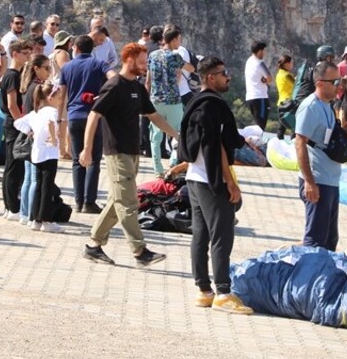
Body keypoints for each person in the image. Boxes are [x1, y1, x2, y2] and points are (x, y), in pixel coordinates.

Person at [80, 43, 180, 268]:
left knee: (118, 202)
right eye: (142, 62)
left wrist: (176, 134)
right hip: (116, 152)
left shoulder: (137, 88)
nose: (146, 66)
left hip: (132, 152)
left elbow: (153, 115)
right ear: (129, 60)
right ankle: (140, 251)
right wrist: (86, 149)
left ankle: (94, 246)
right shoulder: (114, 86)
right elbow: (94, 116)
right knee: (128, 203)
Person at [181, 57, 252, 314]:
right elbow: (216, 146)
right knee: (222, 235)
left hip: (194, 177)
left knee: (200, 234)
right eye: (223, 74)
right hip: (212, 180)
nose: (228, 77)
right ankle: (223, 292)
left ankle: (203, 290)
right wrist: (230, 182)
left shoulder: (194, 102)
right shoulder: (213, 105)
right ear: (210, 78)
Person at [294, 61, 343, 251]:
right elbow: (300, 144)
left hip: (331, 180)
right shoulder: (310, 107)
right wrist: (309, 181)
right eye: (335, 81)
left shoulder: (328, 106)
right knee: (315, 241)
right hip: (318, 180)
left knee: (330, 241)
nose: (339, 85)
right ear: (320, 83)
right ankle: (309, 278)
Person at [59, 34, 109, 213]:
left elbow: (62, 95)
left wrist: (59, 117)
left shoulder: (67, 67)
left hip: (73, 115)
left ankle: (78, 202)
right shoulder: (99, 64)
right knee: (94, 159)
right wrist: (102, 96)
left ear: (76, 48)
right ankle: (89, 202)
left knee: (76, 160)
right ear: (92, 49)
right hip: (93, 115)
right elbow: (113, 79)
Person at [14, 82, 66, 233]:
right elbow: (51, 123)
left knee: (38, 186)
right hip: (49, 153)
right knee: (47, 187)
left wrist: (31, 132)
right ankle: (47, 220)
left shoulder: (35, 113)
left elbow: (18, 123)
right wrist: (53, 138)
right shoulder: (52, 111)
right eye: (58, 98)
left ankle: (35, 219)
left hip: (37, 153)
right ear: (50, 98)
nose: (60, 101)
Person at [146, 25, 187, 177]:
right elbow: (178, 76)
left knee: (156, 135)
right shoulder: (176, 56)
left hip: (156, 100)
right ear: (174, 39)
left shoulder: (153, 55)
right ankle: (173, 161)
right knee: (177, 132)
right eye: (179, 39)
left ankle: (157, 169)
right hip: (173, 100)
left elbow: (148, 80)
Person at [0, 40, 31, 220]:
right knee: (13, 166)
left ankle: (9, 205)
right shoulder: (12, 76)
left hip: (14, 123)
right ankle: (12, 206)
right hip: (14, 123)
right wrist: (22, 124)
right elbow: (12, 104)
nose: (27, 57)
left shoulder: (16, 74)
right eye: (25, 54)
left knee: (13, 165)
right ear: (15, 54)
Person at [244, 40, 273, 131]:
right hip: (260, 97)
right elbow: (269, 78)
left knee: (257, 124)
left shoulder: (248, 62)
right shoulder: (260, 63)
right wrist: (265, 80)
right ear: (260, 51)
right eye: (264, 51)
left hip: (250, 97)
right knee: (261, 126)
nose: (264, 53)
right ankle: (256, 144)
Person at [274, 54, 295, 140]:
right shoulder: (287, 75)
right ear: (287, 64)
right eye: (291, 63)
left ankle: (279, 146)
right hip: (289, 103)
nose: (292, 65)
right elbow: (296, 85)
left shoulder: (279, 74)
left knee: (281, 128)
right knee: (296, 127)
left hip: (281, 103)